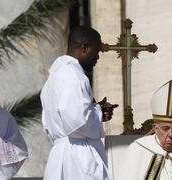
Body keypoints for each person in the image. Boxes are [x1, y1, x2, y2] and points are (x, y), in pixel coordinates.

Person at [40, 26, 114, 180]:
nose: (98, 57)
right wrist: (98, 112)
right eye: (97, 51)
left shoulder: (55, 77)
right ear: (84, 47)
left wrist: (95, 109)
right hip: (77, 158)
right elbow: (77, 122)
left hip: (62, 155)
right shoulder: (73, 76)